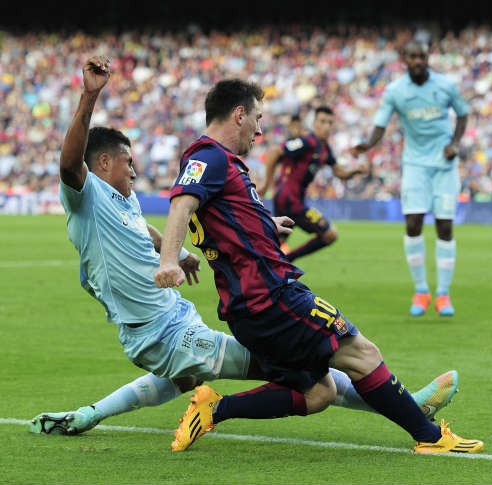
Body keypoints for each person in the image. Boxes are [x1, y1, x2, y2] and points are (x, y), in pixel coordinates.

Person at [29, 57, 458, 437]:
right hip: (162, 333)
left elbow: (144, 229)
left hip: (174, 325)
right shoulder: (84, 195)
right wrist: (89, 96)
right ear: (103, 162)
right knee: (312, 368)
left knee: (199, 375)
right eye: (128, 163)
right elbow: (71, 164)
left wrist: (182, 254)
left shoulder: (123, 200)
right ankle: (411, 407)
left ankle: (91, 414)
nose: (135, 172)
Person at [154, 78, 483, 454]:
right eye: (258, 118)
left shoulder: (216, 160)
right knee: (362, 354)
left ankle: (215, 409)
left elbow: (220, 220)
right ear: (239, 114)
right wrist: (169, 261)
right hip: (271, 297)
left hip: (247, 306)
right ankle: (431, 437)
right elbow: (182, 204)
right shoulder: (210, 156)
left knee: (318, 392)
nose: (260, 130)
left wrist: (265, 224)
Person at [349, 40, 469, 317]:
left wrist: (454, 144)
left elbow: (463, 115)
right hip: (415, 164)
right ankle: (421, 290)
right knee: (413, 223)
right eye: (412, 56)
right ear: (405, 59)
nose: (417, 61)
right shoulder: (395, 91)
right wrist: (368, 144)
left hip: (444, 165)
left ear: (428, 57)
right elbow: (380, 124)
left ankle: (443, 294)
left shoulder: (446, 85)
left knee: (445, 226)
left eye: (421, 56)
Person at [257, 106, 366, 261]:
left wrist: (356, 171)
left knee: (274, 246)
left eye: (330, 122)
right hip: (290, 200)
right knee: (330, 234)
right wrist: (266, 184)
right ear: (314, 123)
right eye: (322, 121)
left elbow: (339, 172)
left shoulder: (325, 148)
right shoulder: (307, 142)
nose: (326, 126)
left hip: (293, 199)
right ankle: (287, 260)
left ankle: (262, 267)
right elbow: (275, 151)